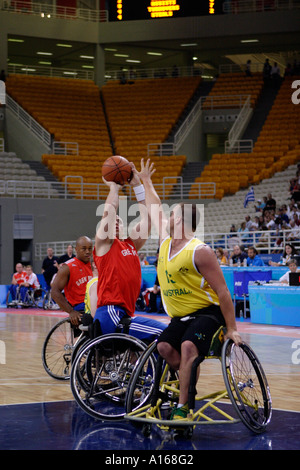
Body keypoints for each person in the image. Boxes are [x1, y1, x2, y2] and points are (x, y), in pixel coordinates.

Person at [137, 158, 242, 420]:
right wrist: (146, 181)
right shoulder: (165, 242)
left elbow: (223, 292)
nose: (167, 217)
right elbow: (154, 208)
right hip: (181, 317)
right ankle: (188, 377)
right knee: (164, 348)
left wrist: (232, 329)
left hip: (208, 313)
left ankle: (183, 406)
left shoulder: (200, 251)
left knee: (187, 347)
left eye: (173, 214)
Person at [92, 162, 166, 343]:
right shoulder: (103, 245)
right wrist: (114, 188)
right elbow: (109, 212)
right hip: (111, 312)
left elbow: (149, 217)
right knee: (165, 334)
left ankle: (148, 372)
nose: (116, 221)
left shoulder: (130, 244)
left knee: (161, 339)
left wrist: (137, 186)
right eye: (113, 220)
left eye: (120, 220)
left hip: (126, 312)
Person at [51, 236, 93, 326]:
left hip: (95, 304)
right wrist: (71, 311)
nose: (88, 252)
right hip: (81, 307)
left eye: (90, 249)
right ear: (76, 249)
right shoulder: (67, 267)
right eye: (84, 249)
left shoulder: (95, 265)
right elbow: (54, 292)